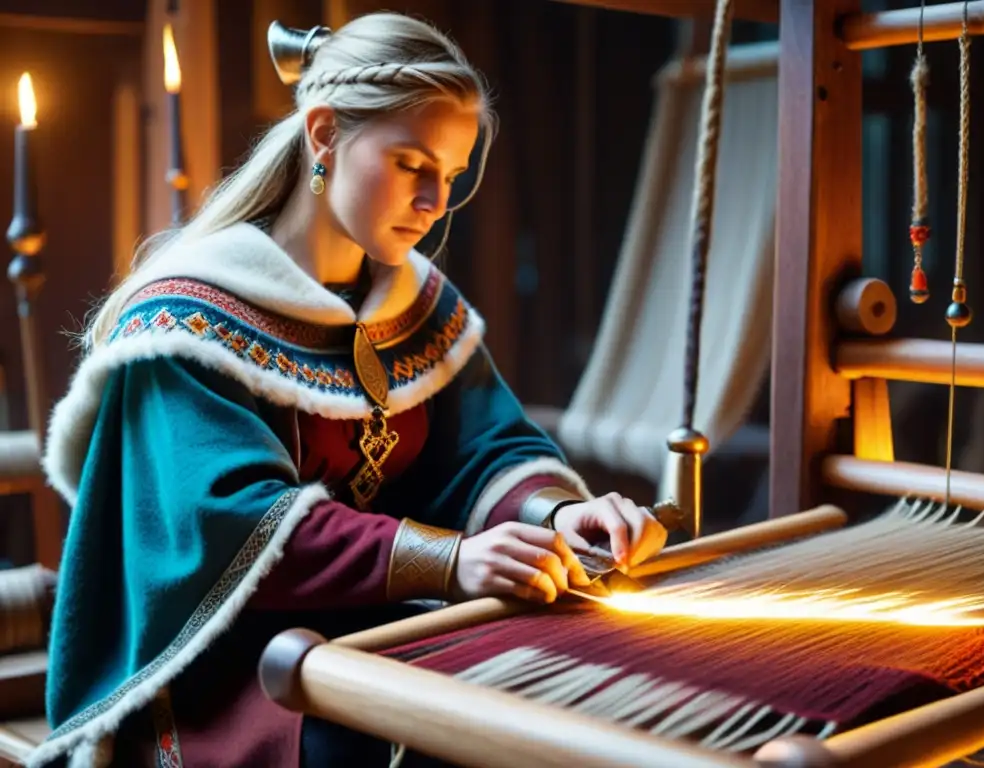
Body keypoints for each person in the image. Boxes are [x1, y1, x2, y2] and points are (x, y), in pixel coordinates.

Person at [30, 12, 668, 768]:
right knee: (412, 742)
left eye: (452, 175)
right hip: (220, 666)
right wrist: (455, 561)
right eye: (412, 165)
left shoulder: (417, 306)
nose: (435, 202)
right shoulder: (185, 321)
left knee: (565, 687)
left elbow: (487, 447)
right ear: (325, 135)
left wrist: (560, 516)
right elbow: (235, 524)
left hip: (385, 634)